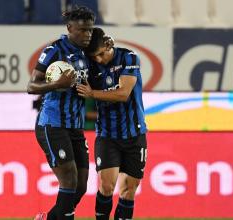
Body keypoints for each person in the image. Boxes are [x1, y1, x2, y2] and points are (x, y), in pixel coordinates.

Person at [27, 6, 95, 220]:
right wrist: (57, 83)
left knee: (81, 185)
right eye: (83, 30)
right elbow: (31, 86)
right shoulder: (54, 50)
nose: (87, 35)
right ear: (69, 28)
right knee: (69, 180)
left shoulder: (86, 53)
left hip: (75, 126)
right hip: (53, 124)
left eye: (90, 30)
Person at [76, 27, 148, 220]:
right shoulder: (90, 66)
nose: (98, 59)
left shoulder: (129, 58)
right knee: (106, 186)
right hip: (108, 135)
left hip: (135, 133)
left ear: (109, 44)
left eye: (101, 54)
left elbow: (124, 94)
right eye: (94, 56)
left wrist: (93, 94)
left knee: (128, 190)